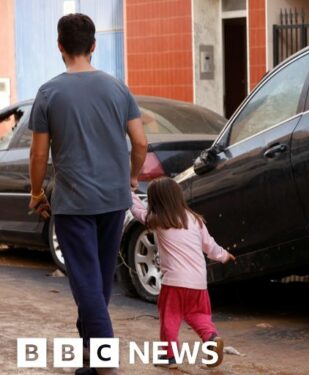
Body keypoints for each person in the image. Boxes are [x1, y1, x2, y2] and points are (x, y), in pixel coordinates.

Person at [27, 13, 147, 375]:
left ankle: (105, 363)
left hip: (73, 202)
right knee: (96, 283)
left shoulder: (49, 93)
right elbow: (140, 142)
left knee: (86, 284)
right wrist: (131, 178)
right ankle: (91, 361)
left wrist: (36, 192)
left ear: (60, 46)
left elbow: (38, 154)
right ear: (93, 46)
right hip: (113, 201)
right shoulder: (117, 88)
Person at [129, 177, 235, 368]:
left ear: (155, 201)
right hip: (198, 282)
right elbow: (209, 246)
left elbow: (136, 210)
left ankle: (170, 356)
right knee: (198, 315)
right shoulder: (195, 219)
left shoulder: (157, 220)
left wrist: (128, 192)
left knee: (170, 318)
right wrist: (224, 255)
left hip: (174, 283)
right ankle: (211, 339)